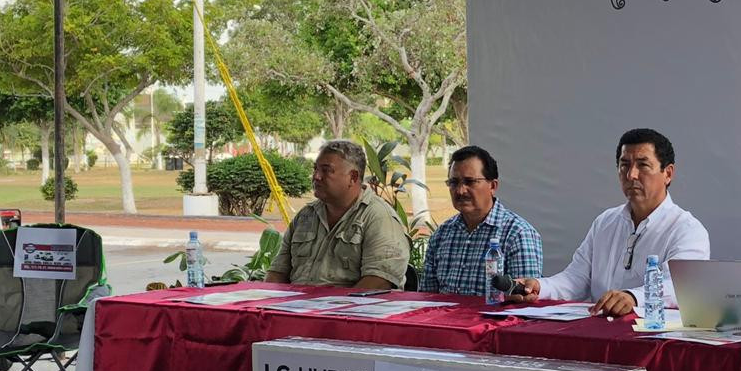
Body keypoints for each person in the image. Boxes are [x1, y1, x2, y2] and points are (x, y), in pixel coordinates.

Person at [510, 128, 709, 317]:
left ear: (668, 173)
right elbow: (576, 279)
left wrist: (633, 297)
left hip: (651, 340)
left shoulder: (687, 229)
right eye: (624, 165)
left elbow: (681, 288)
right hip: (599, 334)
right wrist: (539, 287)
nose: (631, 175)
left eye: (643, 165)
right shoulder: (605, 222)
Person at [266, 139, 409, 288]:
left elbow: (379, 281)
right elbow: (278, 272)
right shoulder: (306, 216)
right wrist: (268, 300)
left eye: (326, 170)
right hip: (295, 307)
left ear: (353, 177)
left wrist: (333, 307)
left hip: (352, 308)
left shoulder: (378, 217)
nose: (316, 176)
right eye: (315, 169)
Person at [420, 145, 543, 296]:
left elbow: (525, 300)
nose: (460, 190)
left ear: (493, 186)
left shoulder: (518, 234)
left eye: (470, 182)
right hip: (443, 319)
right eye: (453, 182)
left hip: (494, 319)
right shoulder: (441, 234)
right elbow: (427, 298)